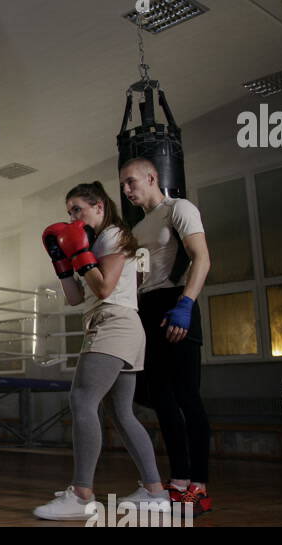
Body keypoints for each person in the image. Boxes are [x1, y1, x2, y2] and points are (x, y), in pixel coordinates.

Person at [34, 181, 169, 521]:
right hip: (116, 325)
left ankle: (81, 495)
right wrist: (62, 263)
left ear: (99, 206)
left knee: (82, 399)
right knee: (121, 412)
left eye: (78, 209)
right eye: (69, 212)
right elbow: (76, 298)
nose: (73, 217)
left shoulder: (111, 235)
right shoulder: (93, 244)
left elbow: (105, 288)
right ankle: (155, 493)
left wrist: (79, 255)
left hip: (114, 324)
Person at [121, 158, 213, 515]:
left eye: (132, 182)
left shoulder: (179, 208)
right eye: (124, 185)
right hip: (147, 309)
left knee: (187, 396)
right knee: (160, 398)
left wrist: (186, 304)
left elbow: (201, 258)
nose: (127, 190)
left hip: (176, 304)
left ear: (152, 177)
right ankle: (177, 483)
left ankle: (199, 488)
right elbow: (140, 278)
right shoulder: (139, 227)